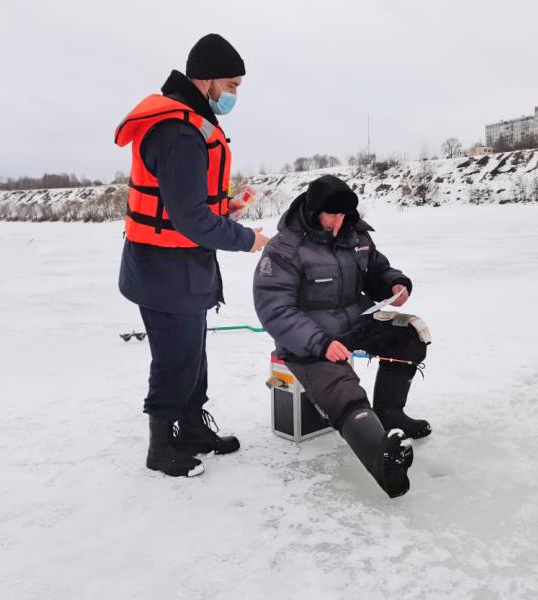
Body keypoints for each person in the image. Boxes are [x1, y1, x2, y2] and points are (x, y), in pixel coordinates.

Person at [115, 34, 270, 477]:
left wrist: (229, 209)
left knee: (192, 353)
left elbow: (186, 208)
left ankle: (191, 428)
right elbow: (189, 220)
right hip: (166, 270)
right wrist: (247, 239)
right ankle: (161, 447)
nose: (235, 95)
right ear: (206, 81)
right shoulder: (179, 133)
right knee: (175, 357)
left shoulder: (189, 123)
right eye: (233, 85)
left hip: (178, 266)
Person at [253, 175, 431, 498]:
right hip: (308, 338)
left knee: (411, 334)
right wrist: (321, 343)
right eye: (332, 215)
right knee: (340, 385)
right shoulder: (284, 249)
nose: (339, 222)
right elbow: (274, 309)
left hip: (355, 322)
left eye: (344, 215)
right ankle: (382, 457)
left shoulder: (355, 234)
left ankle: (390, 413)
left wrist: (394, 283)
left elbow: (375, 269)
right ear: (314, 210)